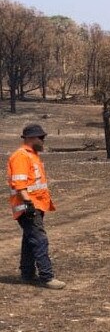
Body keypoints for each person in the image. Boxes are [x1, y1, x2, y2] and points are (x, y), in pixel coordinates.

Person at [7, 124, 66, 289]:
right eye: (41, 137)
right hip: (28, 207)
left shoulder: (33, 155)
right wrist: (28, 203)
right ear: (30, 138)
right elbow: (20, 184)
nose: (43, 140)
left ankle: (27, 274)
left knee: (29, 240)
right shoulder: (21, 156)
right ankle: (47, 277)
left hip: (36, 205)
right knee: (40, 240)